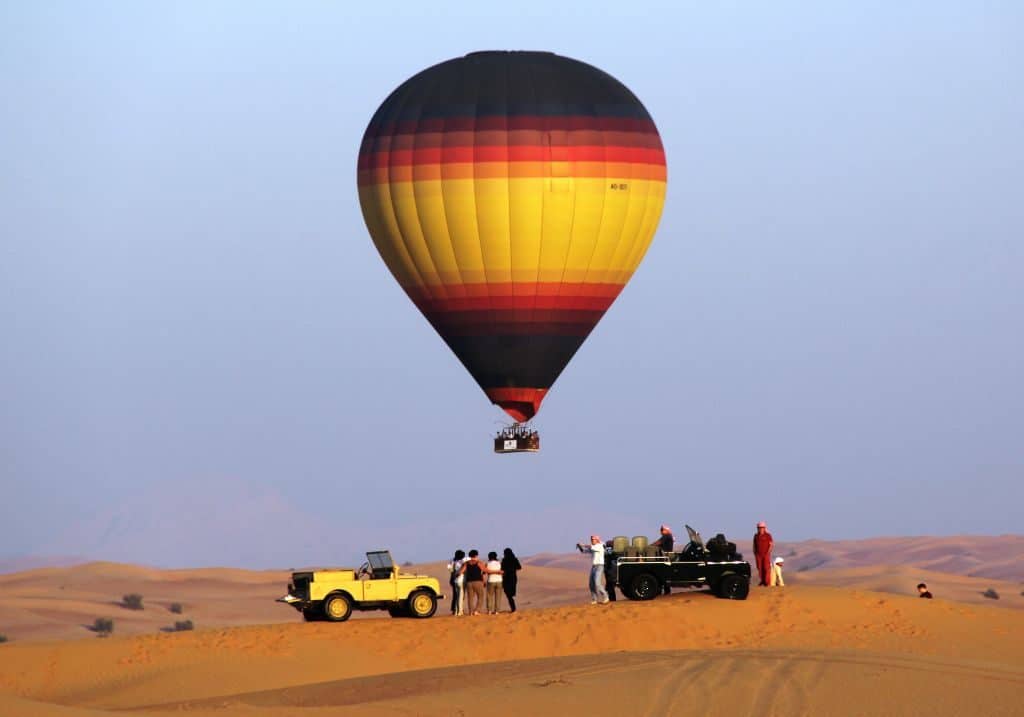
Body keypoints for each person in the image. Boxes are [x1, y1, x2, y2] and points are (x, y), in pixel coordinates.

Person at [576, 534, 610, 604]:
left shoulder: (599, 546)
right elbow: (584, 551)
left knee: (597, 583)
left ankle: (606, 596)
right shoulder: (593, 547)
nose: (592, 541)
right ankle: (594, 599)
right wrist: (580, 547)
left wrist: (582, 544)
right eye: (591, 539)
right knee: (591, 584)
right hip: (594, 567)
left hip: (599, 566)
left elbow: (590, 547)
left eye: (593, 539)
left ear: (597, 540)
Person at [459, 550, 486, 615]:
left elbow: (461, 571)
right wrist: (497, 571)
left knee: (470, 598)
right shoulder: (479, 563)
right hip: (477, 581)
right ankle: (477, 610)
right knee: (480, 596)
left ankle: (471, 612)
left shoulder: (466, 563)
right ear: (476, 555)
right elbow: (485, 570)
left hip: (469, 582)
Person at [651, 524, 675, 595]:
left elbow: (658, 543)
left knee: (664, 574)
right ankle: (665, 591)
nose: (660, 531)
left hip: (666, 557)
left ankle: (666, 592)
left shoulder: (666, 536)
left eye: (662, 529)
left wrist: (649, 546)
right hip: (665, 557)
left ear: (665, 530)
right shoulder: (667, 536)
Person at [501, 547, 522, 613]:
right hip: (513, 577)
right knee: (510, 594)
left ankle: (513, 609)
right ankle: (513, 609)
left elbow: (502, 569)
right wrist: (513, 569)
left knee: (509, 595)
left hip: (506, 578)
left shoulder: (504, 560)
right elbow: (519, 567)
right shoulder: (514, 559)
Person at [753, 521, 774, 587]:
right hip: (758, 555)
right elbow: (754, 545)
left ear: (764, 528)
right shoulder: (756, 536)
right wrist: (754, 552)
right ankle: (762, 581)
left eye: (762, 527)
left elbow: (771, 544)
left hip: (766, 554)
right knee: (759, 568)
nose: (760, 529)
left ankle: (767, 582)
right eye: (759, 528)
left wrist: (768, 552)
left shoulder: (768, 535)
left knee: (766, 568)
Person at [447, 550, 467, 615]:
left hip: (453, 578)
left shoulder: (453, 561)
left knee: (455, 595)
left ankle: (455, 610)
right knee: (460, 596)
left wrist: (453, 574)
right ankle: (460, 610)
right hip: (460, 579)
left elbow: (449, 569)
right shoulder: (462, 561)